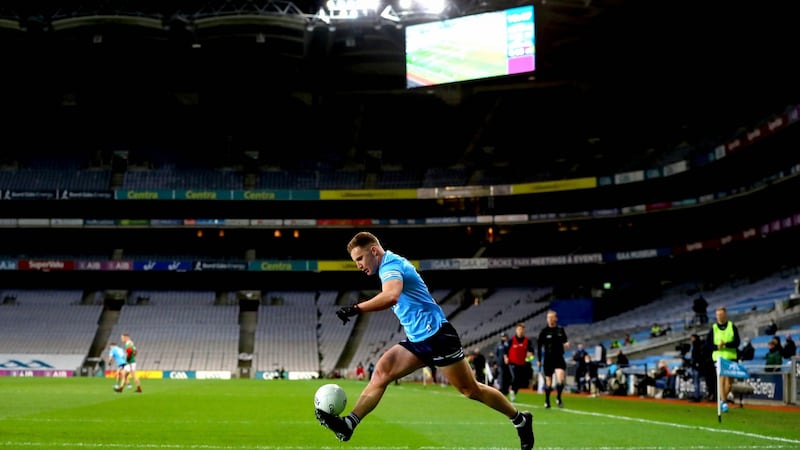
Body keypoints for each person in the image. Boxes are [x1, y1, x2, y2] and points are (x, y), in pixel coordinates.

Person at [315, 232, 533, 449]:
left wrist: (356, 308)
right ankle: (349, 424)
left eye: (359, 259)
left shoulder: (390, 265)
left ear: (373, 250)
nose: (358, 266)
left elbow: (391, 296)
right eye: (355, 262)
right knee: (382, 372)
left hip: (438, 337)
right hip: (417, 340)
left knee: (470, 390)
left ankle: (520, 420)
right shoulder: (387, 267)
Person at [705, 306, 740, 404]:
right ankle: (723, 401)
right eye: (717, 315)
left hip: (731, 357)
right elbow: (707, 343)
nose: (719, 317)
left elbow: (737, 342)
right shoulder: (714, 328)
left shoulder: (732, 326)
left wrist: (726, 344)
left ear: (725, 315)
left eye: (721, 314)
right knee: (722, 377)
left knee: (729, 383)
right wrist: (716, 347)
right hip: (719, 358)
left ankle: (722, 398)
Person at [536, 310, 569, 409]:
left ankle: (558, 398)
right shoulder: (544, 332)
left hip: (559, 357)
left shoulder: (560, 330)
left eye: (552, 317)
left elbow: (565, 340)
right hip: (548, 359)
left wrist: (566, 344)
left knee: (561, 378)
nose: (550, 319)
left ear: (556, 318)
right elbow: (539, 346)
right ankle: (547, 400)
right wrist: (539, 360)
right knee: (548, 381)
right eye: (548, 317)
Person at [507, 322, 535, 402]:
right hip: (512, 362)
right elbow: (506, 350)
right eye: (519, 329)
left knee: (519, 380)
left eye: (522, 329)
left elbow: (531, 351)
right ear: (516, 330)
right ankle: (511, 390)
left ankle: (514, 391)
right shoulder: (511, 340)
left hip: (522, 363)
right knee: (514, 377)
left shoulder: (527, 341)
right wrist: (506, 357)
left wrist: (530, 354)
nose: (520, 331)